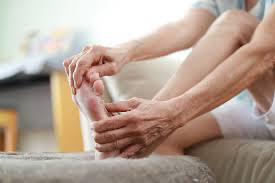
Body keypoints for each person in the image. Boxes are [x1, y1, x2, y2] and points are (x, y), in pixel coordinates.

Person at [64, 0, 275, 158]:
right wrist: (122, 52)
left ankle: (128, 130)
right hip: (253, 106)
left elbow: (264, 53)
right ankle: (124, 141)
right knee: (159, 142)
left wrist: (172, 114)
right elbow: (185, 28)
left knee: (235, 22)